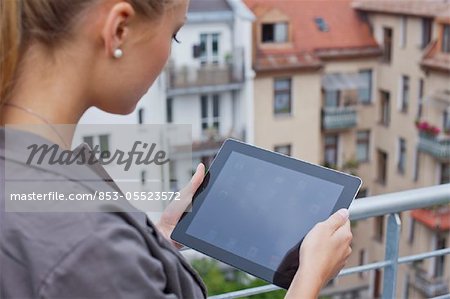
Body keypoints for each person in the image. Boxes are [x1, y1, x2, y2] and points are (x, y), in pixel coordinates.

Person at [0, 0, 353, 298]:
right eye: (175, 34)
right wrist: (309, 279)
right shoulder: (86, 243)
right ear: (119, 29)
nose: (170, 53)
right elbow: (88, 263)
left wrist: (158, 239)